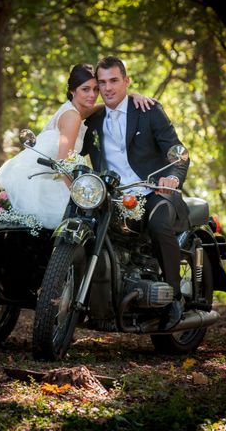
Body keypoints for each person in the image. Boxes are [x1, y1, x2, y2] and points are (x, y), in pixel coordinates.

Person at [81, 56, 190, 331]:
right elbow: (67, 145)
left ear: (126, 82)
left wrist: (172, 179)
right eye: (102, 82)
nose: (107, 88)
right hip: (112, 195)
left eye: (114, 81)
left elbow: (178, 153)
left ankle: (174, 297)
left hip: (153, 189)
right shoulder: (93, 119)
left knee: (158, 223)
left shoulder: (149, 110)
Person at [0, 63, 154, 229]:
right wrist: (80, 196)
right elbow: (63, 163)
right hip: (45, 180)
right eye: (85, 89)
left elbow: (101, 106)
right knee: (89, 221)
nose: (92, 95)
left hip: (33, 174)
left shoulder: (72, 110)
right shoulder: (72, 117)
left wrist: (131, 97)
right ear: (73, 90)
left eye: (96, 89)